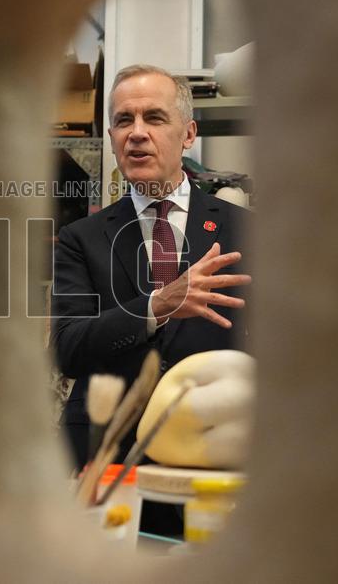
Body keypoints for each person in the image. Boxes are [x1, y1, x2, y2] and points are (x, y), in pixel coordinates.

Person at [50, 64, 252, 470]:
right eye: (124, 120)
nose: (137, 132)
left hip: (211, 451)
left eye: (155, 118)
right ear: (112, 138)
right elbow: (68, 349)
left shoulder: (245, 229)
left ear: (189, 134)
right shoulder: (79, 238)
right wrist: (157, 305)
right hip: (103, 454)